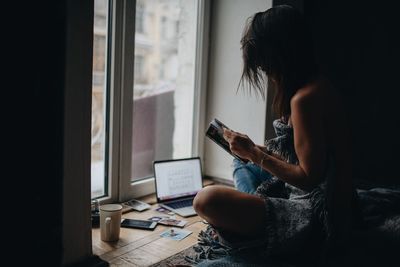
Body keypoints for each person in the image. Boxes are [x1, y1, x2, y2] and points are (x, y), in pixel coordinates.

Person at [193, 4, 359, 265]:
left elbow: (307, 178)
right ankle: (247, 214)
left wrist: (256, 155)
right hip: (324, 197)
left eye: (264, 65)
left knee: (206, 199)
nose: (266, 73)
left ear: (280, 55)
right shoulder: (316, 85)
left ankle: (245, 219)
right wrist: (253, 151)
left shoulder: (305, 99)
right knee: (240, 161)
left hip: (316, 215)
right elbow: (305, 160)